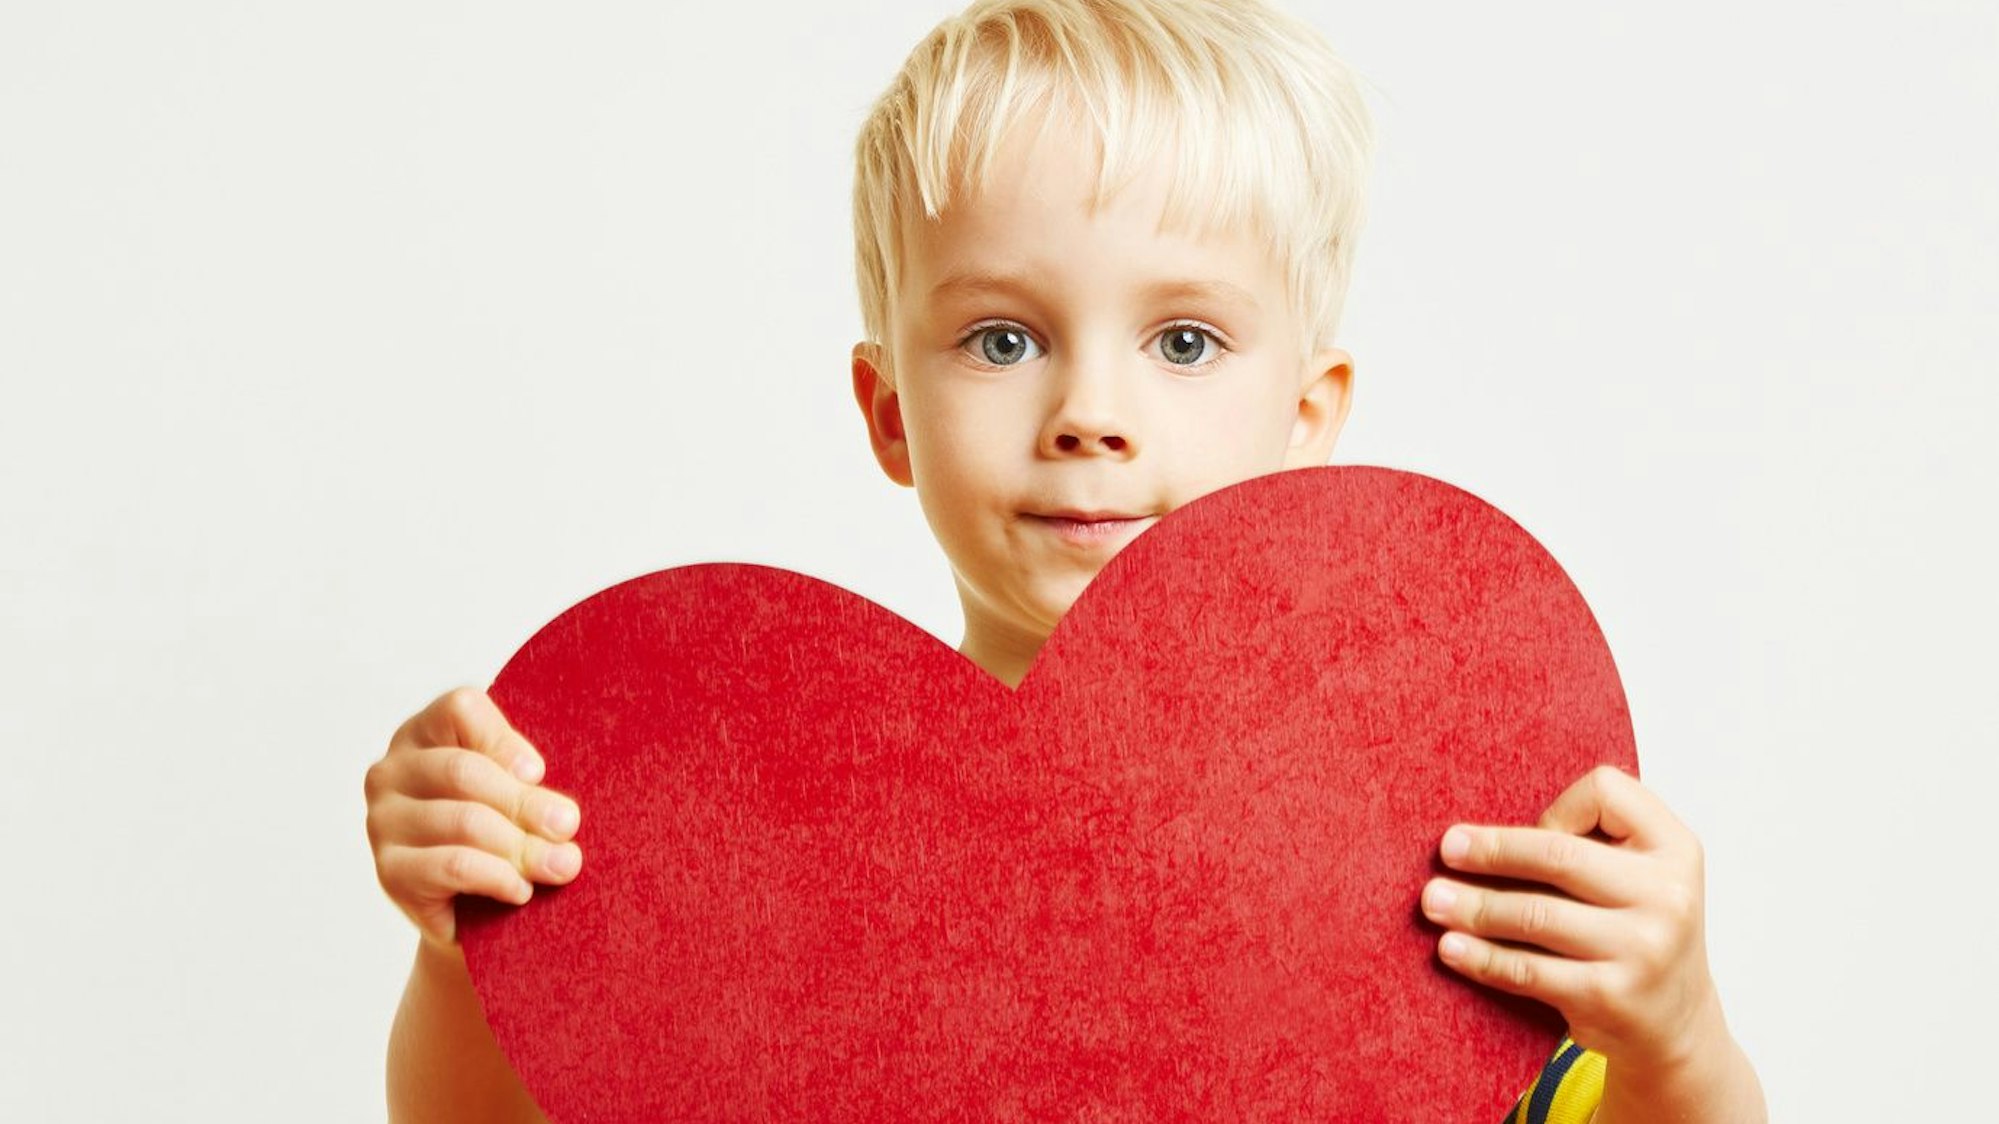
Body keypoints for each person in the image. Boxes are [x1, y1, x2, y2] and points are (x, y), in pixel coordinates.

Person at [363, 1, 1767, 1120]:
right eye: (1002, 339)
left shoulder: (1429, 835)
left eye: (1184, 342)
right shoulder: (766, 851)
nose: (1090, 414)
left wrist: (1676, 1041)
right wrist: (468, 938)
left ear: (1310, 414)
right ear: (889, 412)